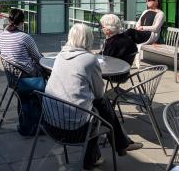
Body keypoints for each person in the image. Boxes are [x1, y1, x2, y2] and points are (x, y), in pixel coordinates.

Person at [45, 23, 142, 169]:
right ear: (89, 38)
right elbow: (98, 93)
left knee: (96, 107)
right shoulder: (89, 60)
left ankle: (114, 147)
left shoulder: (59, 56)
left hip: (49, 122)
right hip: (74, 130)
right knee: (102, 104)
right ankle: (119, 145)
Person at [0, 9, 43, 77]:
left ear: (9, 20)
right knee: (47, 69)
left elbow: (7, 28)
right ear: (22, 22)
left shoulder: (1, 36)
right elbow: (38, 58)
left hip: (11, 75)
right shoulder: (25, 37)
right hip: (26, 75)